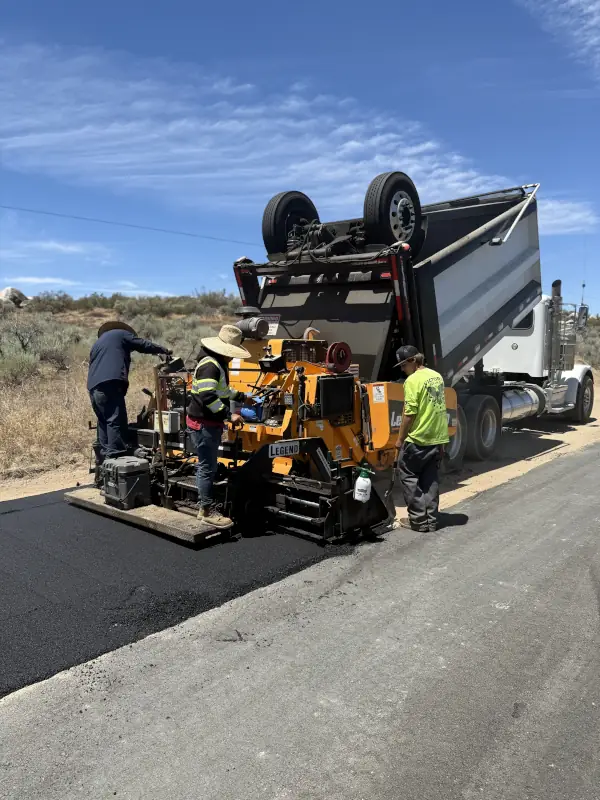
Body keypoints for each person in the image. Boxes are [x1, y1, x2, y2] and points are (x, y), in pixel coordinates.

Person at [187, 324, 253, 528]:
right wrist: (228, 415)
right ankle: (206, 510)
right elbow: (208, 396)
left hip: (206, 423)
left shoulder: (215, 364)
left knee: (208, 465)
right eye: (232, 354)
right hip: (204, 425)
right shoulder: (211, 366)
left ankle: (204, 507)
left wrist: (243, 397)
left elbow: (222, 391)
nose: (232, 358)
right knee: (207, 467)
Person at [88, 321, 172, 465]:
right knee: (115, 419)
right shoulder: (121, 334)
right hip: (111, 383)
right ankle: (116, 456)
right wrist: (163, 350)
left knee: (103, 421)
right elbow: (142, 344)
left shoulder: (98, 344)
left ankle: (103, 460)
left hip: (93, 387)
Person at [394, 345, 449, 533]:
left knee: (409, 476)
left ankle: (418, 521)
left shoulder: (412, 381)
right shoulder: (437, 377)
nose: (402, 369)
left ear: (412, 361)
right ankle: (431, 520)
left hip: (418, 438)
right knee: (430, 479)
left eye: (403, 365)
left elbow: (409, 413)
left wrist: (400, 440)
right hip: (437, 437)